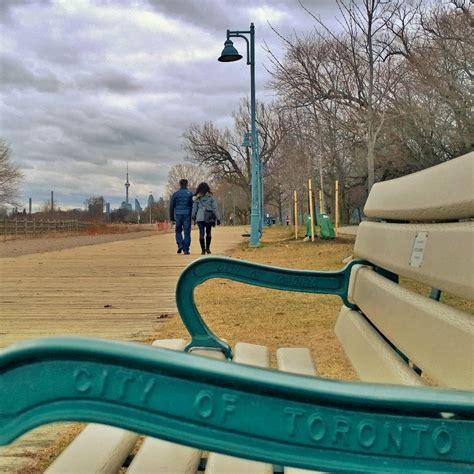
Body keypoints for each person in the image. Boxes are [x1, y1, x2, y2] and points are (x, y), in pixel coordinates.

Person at [192, 182, 221, 255]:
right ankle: (208, 248)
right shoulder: (211, 198)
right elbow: (215, 208)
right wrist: (218, 218)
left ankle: (203, 250)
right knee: (208, 233)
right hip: (209, 217)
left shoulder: (197, 198)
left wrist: (193, 217)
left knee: (201, 233)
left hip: (200, 217)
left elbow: (194, 209)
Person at [169, 178, 193, 255]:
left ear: (180, 184)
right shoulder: (190, 194)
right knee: (187, 232)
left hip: (178, 215)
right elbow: (193, 205)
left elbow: (171, 206)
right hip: (187, 214)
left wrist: (172, 218)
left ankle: (180, 244)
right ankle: (186, 249)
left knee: (178, 230)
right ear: (187, 184)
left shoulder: (175, 194)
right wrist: (193, 216)